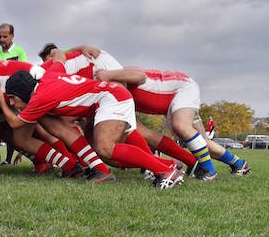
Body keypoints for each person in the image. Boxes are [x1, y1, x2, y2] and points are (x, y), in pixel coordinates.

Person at [0, 66, 185, 189]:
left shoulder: (40, 97)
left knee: (105, 148)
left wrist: (1, 103)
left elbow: (15, 123)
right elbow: (59, 61)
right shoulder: (47, 80)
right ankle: (166, 165)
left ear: (22, 92)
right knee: (54, 125)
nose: (12, 102)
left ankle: (165, 172)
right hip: (107, 98)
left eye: (13, 98)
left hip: (110, 98)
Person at [95, 67, 250, 177]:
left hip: (182, 89)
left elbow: (140, 76)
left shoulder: (117, 78)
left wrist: (106, 74)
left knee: (181, 126)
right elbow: (139, 131)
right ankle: (239, 164)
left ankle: (209, 172)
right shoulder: (116, 98)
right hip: (173, 101)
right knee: (201, 142)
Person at [0, 23, 27, 164]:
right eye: (0, 36)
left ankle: (7, 159)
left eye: (5, 36)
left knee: (11, 126)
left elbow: (22, 72)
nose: (2, 39)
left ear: (12, 36)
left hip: (12, 96)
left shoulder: (20, 52)